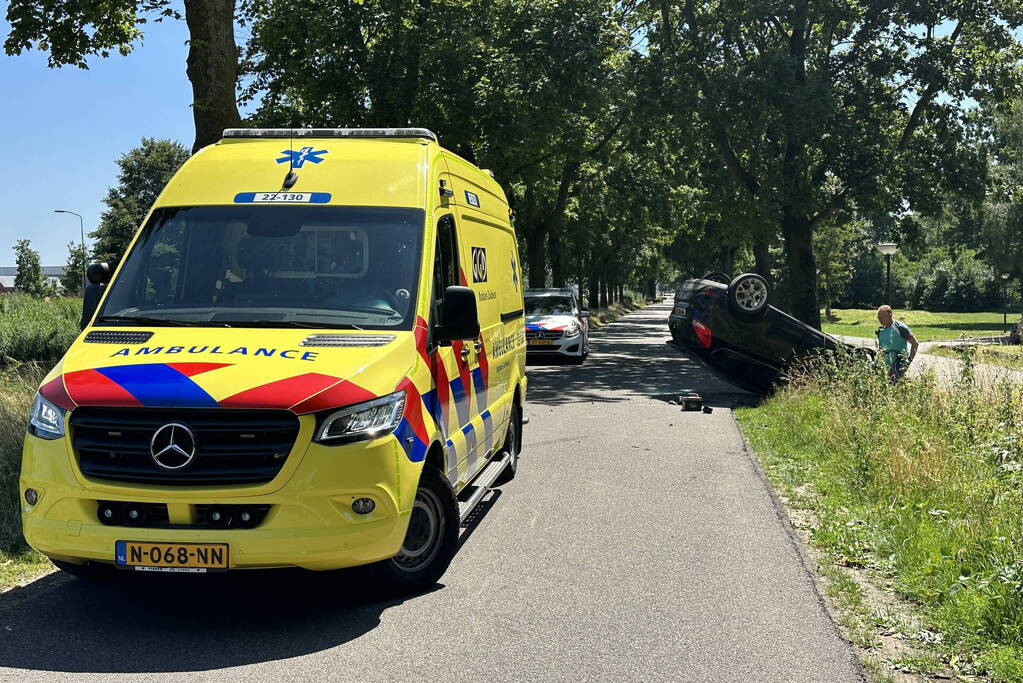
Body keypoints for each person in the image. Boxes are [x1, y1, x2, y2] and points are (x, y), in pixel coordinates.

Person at [875, 305, 919, 381]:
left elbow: (915, 344)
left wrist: (908, 362)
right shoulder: (881, 330)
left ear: (890, 315)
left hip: (898, 362)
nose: (880, 320)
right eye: (879, 318)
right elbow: (881, 349)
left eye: (882, 317)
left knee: (892, 383)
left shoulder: (900, 327)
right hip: (884, 362)